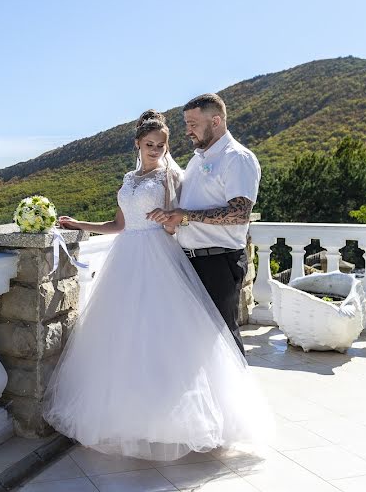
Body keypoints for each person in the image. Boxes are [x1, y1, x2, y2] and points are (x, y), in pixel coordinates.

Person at [42, 109, 272, 461]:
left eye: (162, 145)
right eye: (150, 145)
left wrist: (168, 221)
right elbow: (120, 223)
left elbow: (177, 220)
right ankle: (131, 418)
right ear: (137, 144)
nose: (157, 150)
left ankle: (179, 420)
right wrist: (78, 224)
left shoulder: (170, 177)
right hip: (126, 259)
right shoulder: (129, 178)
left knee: (167, 340)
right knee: (124, 341)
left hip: (159, 259)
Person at [146, 93, 260, 355]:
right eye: (186, 124)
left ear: (216, 121)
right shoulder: (198, 159)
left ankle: (238, 396)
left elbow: (240, 213)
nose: (188, 131)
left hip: (219, 262)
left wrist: (185, 216)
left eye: (193, 124)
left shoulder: (237, 158)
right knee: (196, 342)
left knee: (222, 341)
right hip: (191, 261)